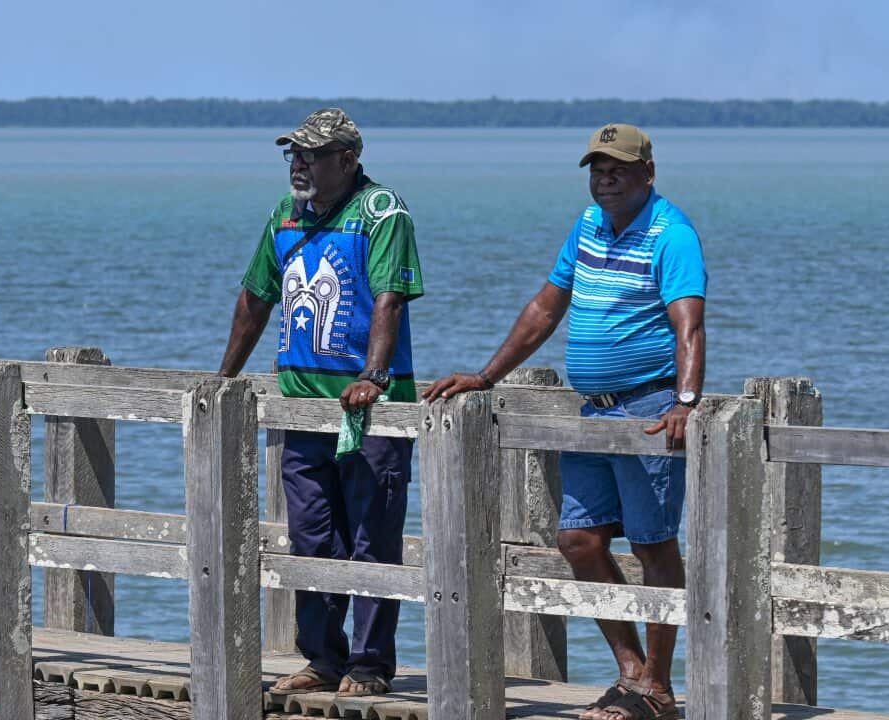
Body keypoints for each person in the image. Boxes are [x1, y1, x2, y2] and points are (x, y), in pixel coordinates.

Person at [423, 123, 705, 720]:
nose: (604, 181)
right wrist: (486, 375)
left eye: (618, 171)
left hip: (649, 409)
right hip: (592, 412)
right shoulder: (587, 225)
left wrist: (686, 400)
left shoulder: (671, 234)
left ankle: (657, 687)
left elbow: (689, 324)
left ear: (646, 174)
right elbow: (547, 306)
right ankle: (631, 672)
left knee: (654, 544)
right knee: (578, 540)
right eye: (598, 171)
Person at [218, 108, 424, 698]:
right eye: (294, 154)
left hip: (369, 410)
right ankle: (323, 657)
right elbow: (256, 298)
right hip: (303, 409)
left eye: (311, 154)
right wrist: (224, 379)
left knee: (371, 538)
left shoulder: (382, 211)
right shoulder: (283, 215)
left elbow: (390, 297)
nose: (299, 164)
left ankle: (369, 664)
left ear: (348, 160)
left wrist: (375, 376)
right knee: (309, 536)